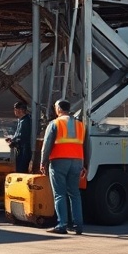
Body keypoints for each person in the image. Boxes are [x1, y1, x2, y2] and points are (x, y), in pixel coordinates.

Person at [40, 99, 86, 235]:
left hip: (59, 161)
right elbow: (87, 146)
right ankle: (78, 226)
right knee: (75, 194)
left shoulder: (55, 123)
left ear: (59, 109)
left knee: (59, 194)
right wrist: (84, 164)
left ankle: (62, 225)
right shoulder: (80, 125)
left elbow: (47, 145)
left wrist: (43, 162)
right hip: (77, 161)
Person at [5, 101, 32, 173]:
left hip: (24, 149)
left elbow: (24, 136)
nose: (14, 111)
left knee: (21, 168)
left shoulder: (25, 121)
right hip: (20, 148)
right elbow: (18, 134)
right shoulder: (21, 120)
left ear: (21, 110)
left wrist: (14, 142)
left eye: (16, 109)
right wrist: (12, 139)